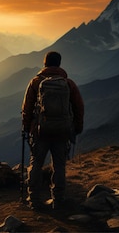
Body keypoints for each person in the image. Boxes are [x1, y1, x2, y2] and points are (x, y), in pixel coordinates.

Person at [21, 51, 84, 210]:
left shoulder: (35, 82)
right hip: (62, 131)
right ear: (59, 64)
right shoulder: (68, 83)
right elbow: (79, 107)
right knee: (59, 165)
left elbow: (27, 108)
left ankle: (34, 199)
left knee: (36, 164)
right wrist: (76, 128)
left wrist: (26, 128)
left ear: (45, 63)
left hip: (40, 131)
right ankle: (58, 199)